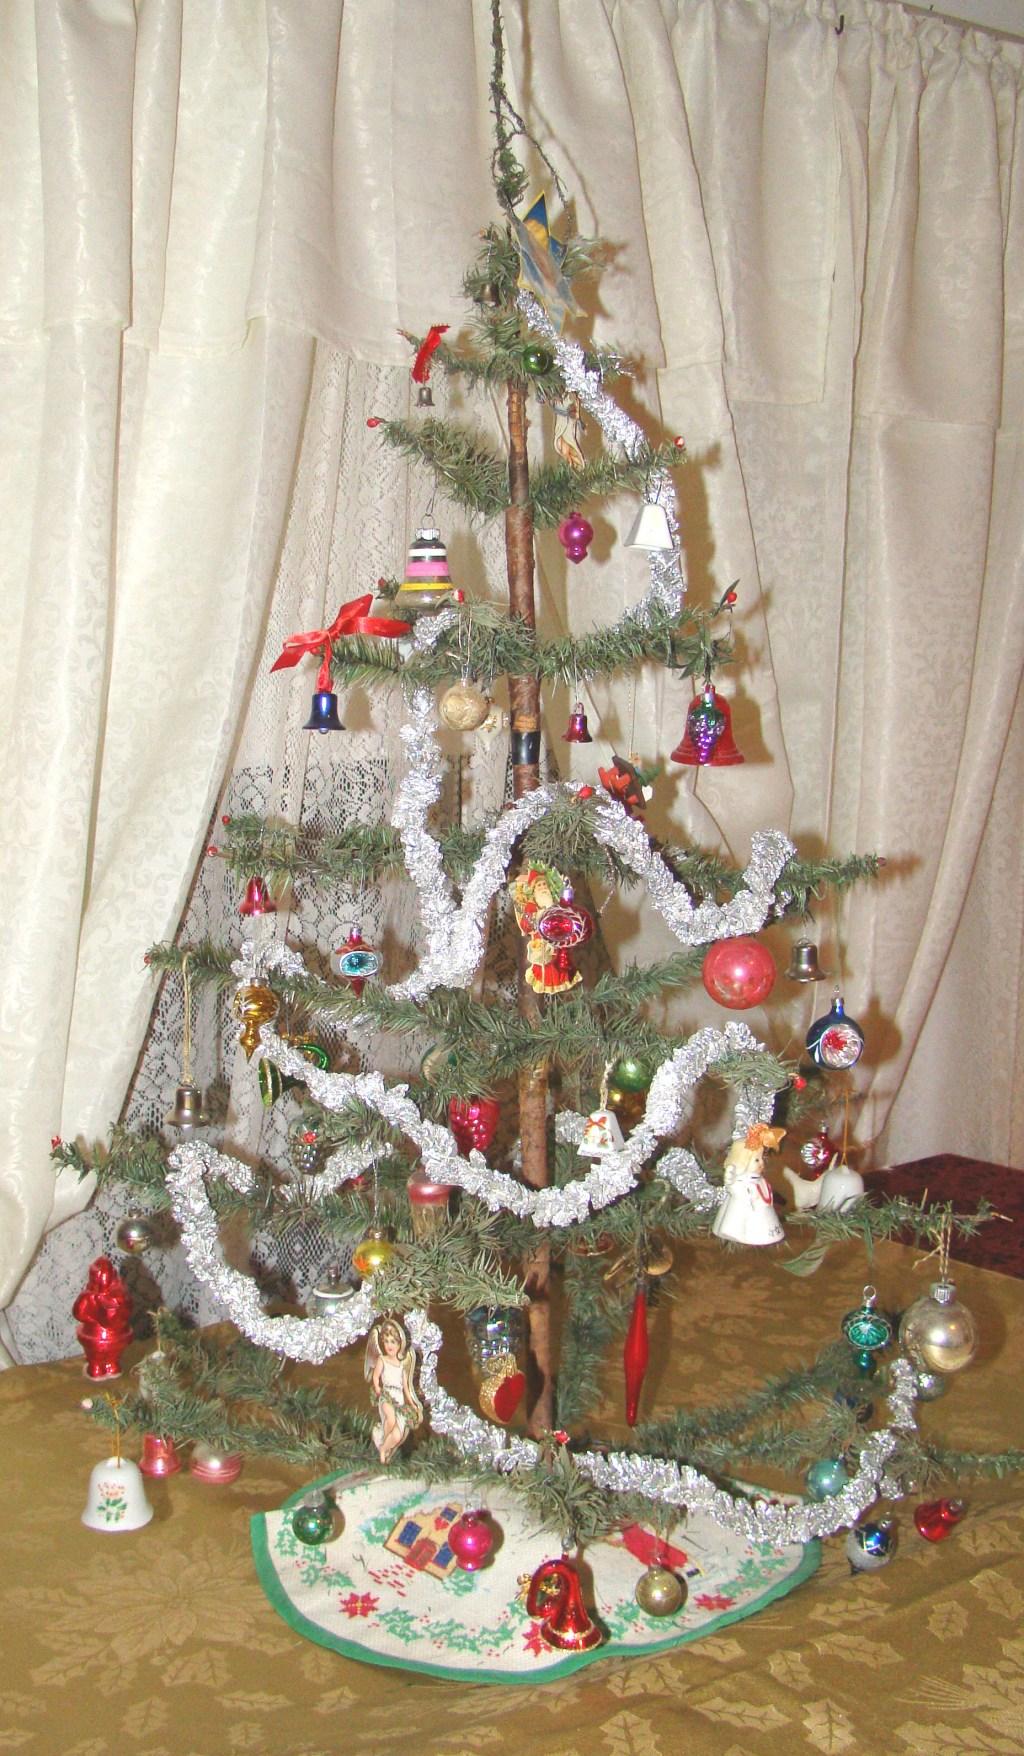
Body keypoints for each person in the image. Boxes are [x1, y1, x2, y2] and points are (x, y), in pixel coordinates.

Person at [364, 1318, 424, 1465]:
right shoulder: (382, 1360)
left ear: (399, 1344)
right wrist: (377, 1388)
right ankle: (383, 1440)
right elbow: (376, 1376)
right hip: (386, 1396)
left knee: (398, 1435)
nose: (389, 1345)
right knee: (390, 1419)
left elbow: (407, 1388)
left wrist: (413, 1404)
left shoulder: (402, 1365)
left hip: (399, 1400)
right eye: (386, 1341)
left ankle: (384, 1449)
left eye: (393, 1342)